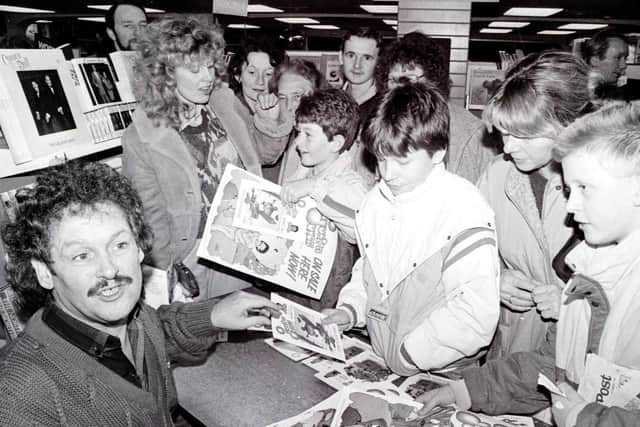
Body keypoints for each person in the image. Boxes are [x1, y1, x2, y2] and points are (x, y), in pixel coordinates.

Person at [0, 161, 279, 425]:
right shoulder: (17, 395)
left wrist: (213, 315)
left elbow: (158, 332)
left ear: (140, 248)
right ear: (44, 272)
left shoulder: (136, 319)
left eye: (119, 245)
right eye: (82, 255)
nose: (109, 270)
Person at [417, 101, 640, 427]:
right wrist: (466, 391)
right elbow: (552, 366)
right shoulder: (586, 272)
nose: (571, 206)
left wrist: (582, 418)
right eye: (567, 188)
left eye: (584, 189)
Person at [323, 82, 500, 376]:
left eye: (402, 161)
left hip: (443, 370)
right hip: (382, 356)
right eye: (381, 158)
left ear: (438, 152)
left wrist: (410, 355)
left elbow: (474, 315)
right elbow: (368, 273)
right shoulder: (374, 202)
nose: (388, 173)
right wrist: (350, 311)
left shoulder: (465, 209)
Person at [122, 17, 262, 299]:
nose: (207, 78)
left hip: (240, 243)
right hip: (190, 256)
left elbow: (261, 155)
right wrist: (163, 277)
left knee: (239, 334)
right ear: (166, 73)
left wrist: (272, 120)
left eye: (210, 66)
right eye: (194, 69)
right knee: (194, 333)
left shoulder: (224, 103)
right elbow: (151, 217)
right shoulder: (141, 136)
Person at [477, 51, 592, 358]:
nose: (507, 147)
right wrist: (494, 278)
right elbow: (466, 249)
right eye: (503, 133)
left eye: (522, 135)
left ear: (566, 125)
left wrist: (574, 303)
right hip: (513, 351)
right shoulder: (497, 175)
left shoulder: (610, 188)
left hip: (582, 356)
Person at [280, 88, 368, 309]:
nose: (299, 143)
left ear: (336, 143)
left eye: (308, 135)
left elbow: (361, 219)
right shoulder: (303, 173)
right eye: (297, 133)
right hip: (293, 286)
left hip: (328, 301)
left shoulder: (350, 182)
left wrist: (313, 187)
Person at [375, 31, 496, 184]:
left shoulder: (471, 133)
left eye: (408, 79)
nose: (400, 89)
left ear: (433, 80)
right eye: (393, 80)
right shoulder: (383, 125)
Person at [227, 35, 289, 182]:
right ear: (237, 75)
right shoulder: (228, 112)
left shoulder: (286, 112)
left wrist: (271, 121)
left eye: (268, 74)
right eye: (252, 72)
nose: (260, 81)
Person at [581, 29, 640, 101]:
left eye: (625, 59)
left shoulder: (619, 93)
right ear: (594, 60)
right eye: (618, 58)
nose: (624, 65)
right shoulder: (577, 96)